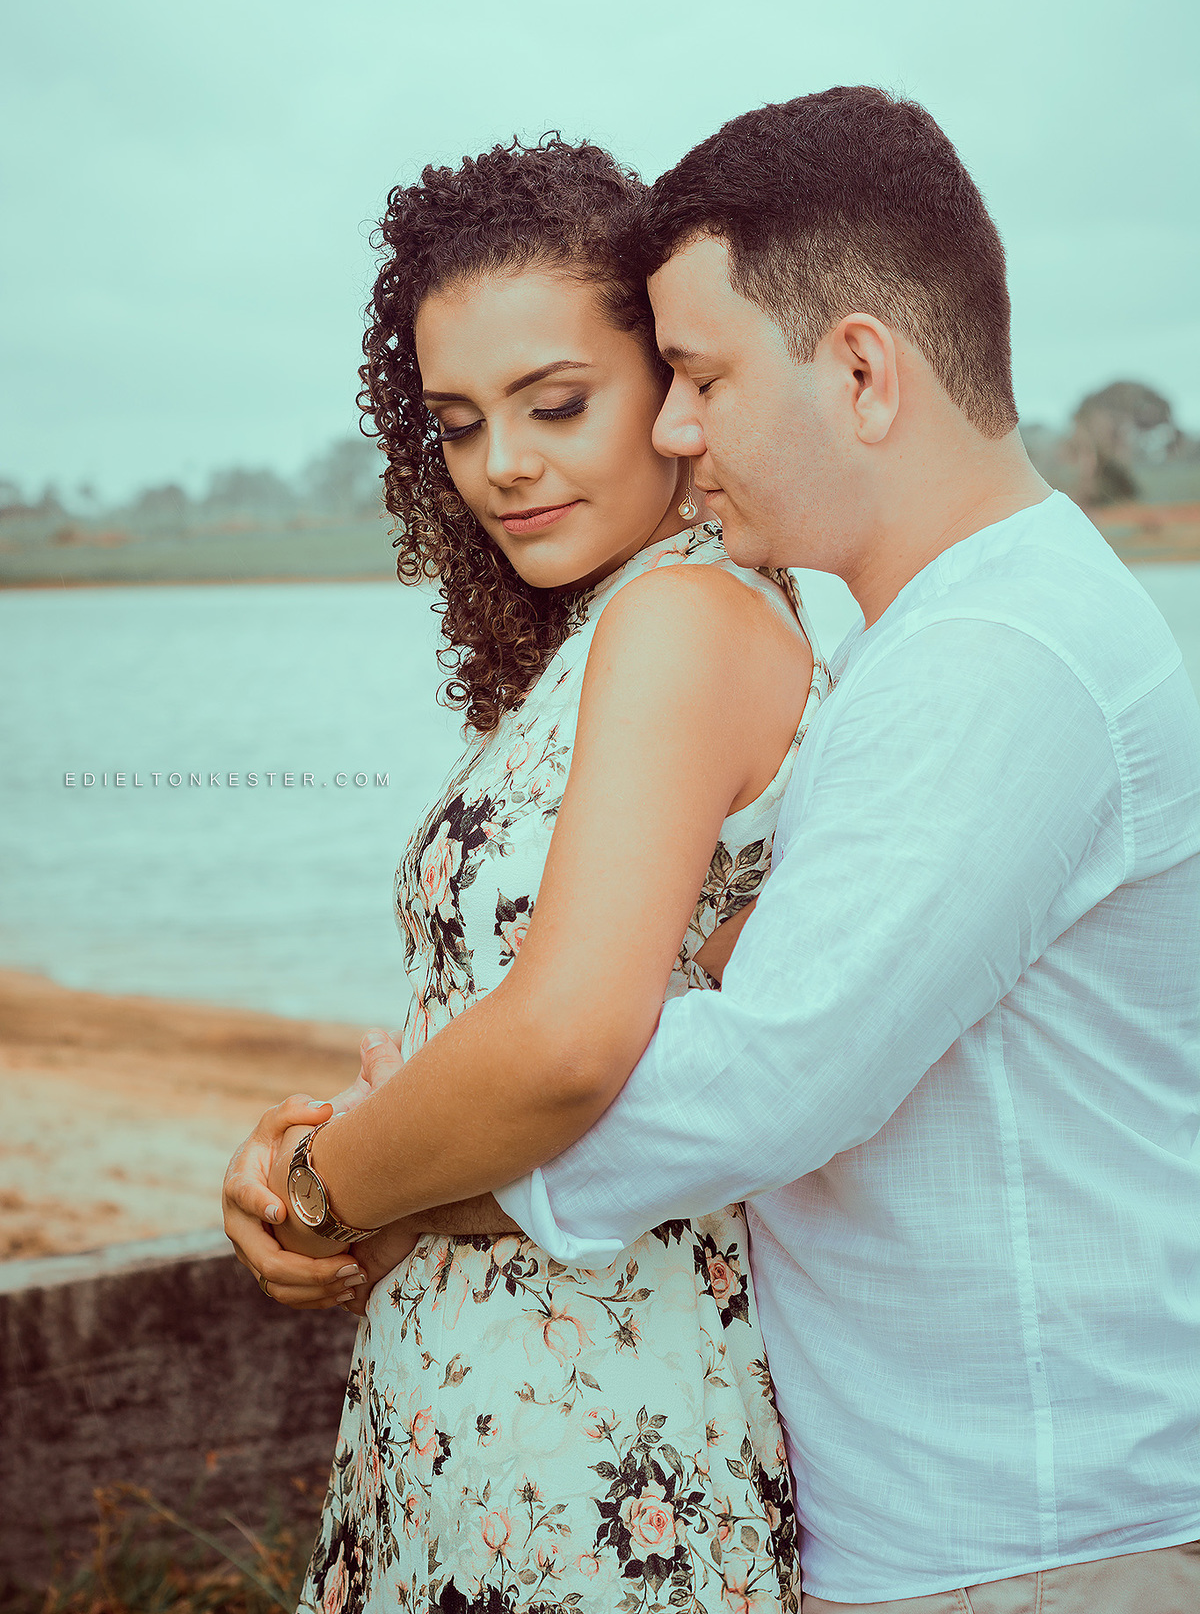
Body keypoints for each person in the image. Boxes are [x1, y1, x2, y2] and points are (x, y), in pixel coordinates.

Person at [228, 89, 1200, 1613]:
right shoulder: (922, 644)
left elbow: (760, 1078)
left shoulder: (1003, 656)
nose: (679, 430)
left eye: (697, 378)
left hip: (1030, 1532)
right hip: (947, 1519)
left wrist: (360, 1182)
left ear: (863, 371)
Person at [225, 136, 830, 1612]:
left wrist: (319, 1191)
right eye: (456, 422)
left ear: (675, 387)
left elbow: (568, 1043)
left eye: (557, 404)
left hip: (594, 1426)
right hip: (486, 1402)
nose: (503, 463)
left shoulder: (685, 621)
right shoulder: (615, 631)